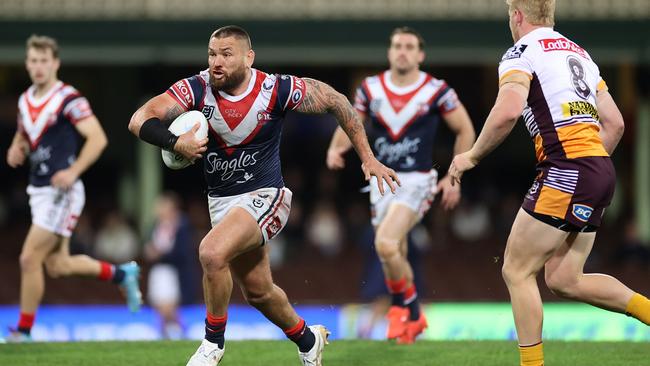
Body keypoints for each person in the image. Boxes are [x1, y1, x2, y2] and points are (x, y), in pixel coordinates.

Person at [128, 25, 399, 366]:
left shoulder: (275, 89)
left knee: (211, 253)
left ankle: (212, 344)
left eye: (227, 54)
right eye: (212, 54)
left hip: (266, 195)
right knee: (258, 292)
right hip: (222, 203)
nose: (217, 62)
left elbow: (336, 101)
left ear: (248, 57)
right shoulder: (195, 88)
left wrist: (368, 158)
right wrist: (174, 141)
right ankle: (308, 338)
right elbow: (139, 119)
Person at [448, 1, 650, 365]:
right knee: (565, 278)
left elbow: (508, 110)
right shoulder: (580, 53)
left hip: (567, 169)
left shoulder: (520, 53)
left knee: (516, 269)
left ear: (517, 16)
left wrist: (471, 156)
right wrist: (587, 167)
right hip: (600, 168)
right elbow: (615, 123)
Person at [326, 26, 475, 344]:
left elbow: (465, 130)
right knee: (396, 254)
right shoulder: (370, 88)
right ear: (390, 52)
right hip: (381, 182)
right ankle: (411, 316)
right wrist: (336, 147)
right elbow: (353, 123)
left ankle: (405, 311)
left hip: (417, 181)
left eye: (409, 46)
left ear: (420, 55)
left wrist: (454, 174)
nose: (402, 51)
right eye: (397, 46)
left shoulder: (436, 90)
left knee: (385, 244)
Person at [5, 35, 142, 342]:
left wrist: (73, 171)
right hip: (38, 190)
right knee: (58, 265)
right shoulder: (25, 100)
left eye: (44, 61)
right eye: (33, 61)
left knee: (29, 258)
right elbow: (24, 136)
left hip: (62, 191)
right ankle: (122, 274)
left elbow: (98, 138)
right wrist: (16, 148)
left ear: (55, 63)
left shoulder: (69, 98)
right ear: (27, 64)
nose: (39, 67)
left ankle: (24, 332)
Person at [144, 192, 199, 339]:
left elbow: (183, 251)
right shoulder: (155, 225)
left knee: (168, 307)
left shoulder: (182, 224)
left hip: (173, 271)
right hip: (158, 271)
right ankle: (165, 335)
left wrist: (160, 254)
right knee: (159, 307)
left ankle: (180, 332)